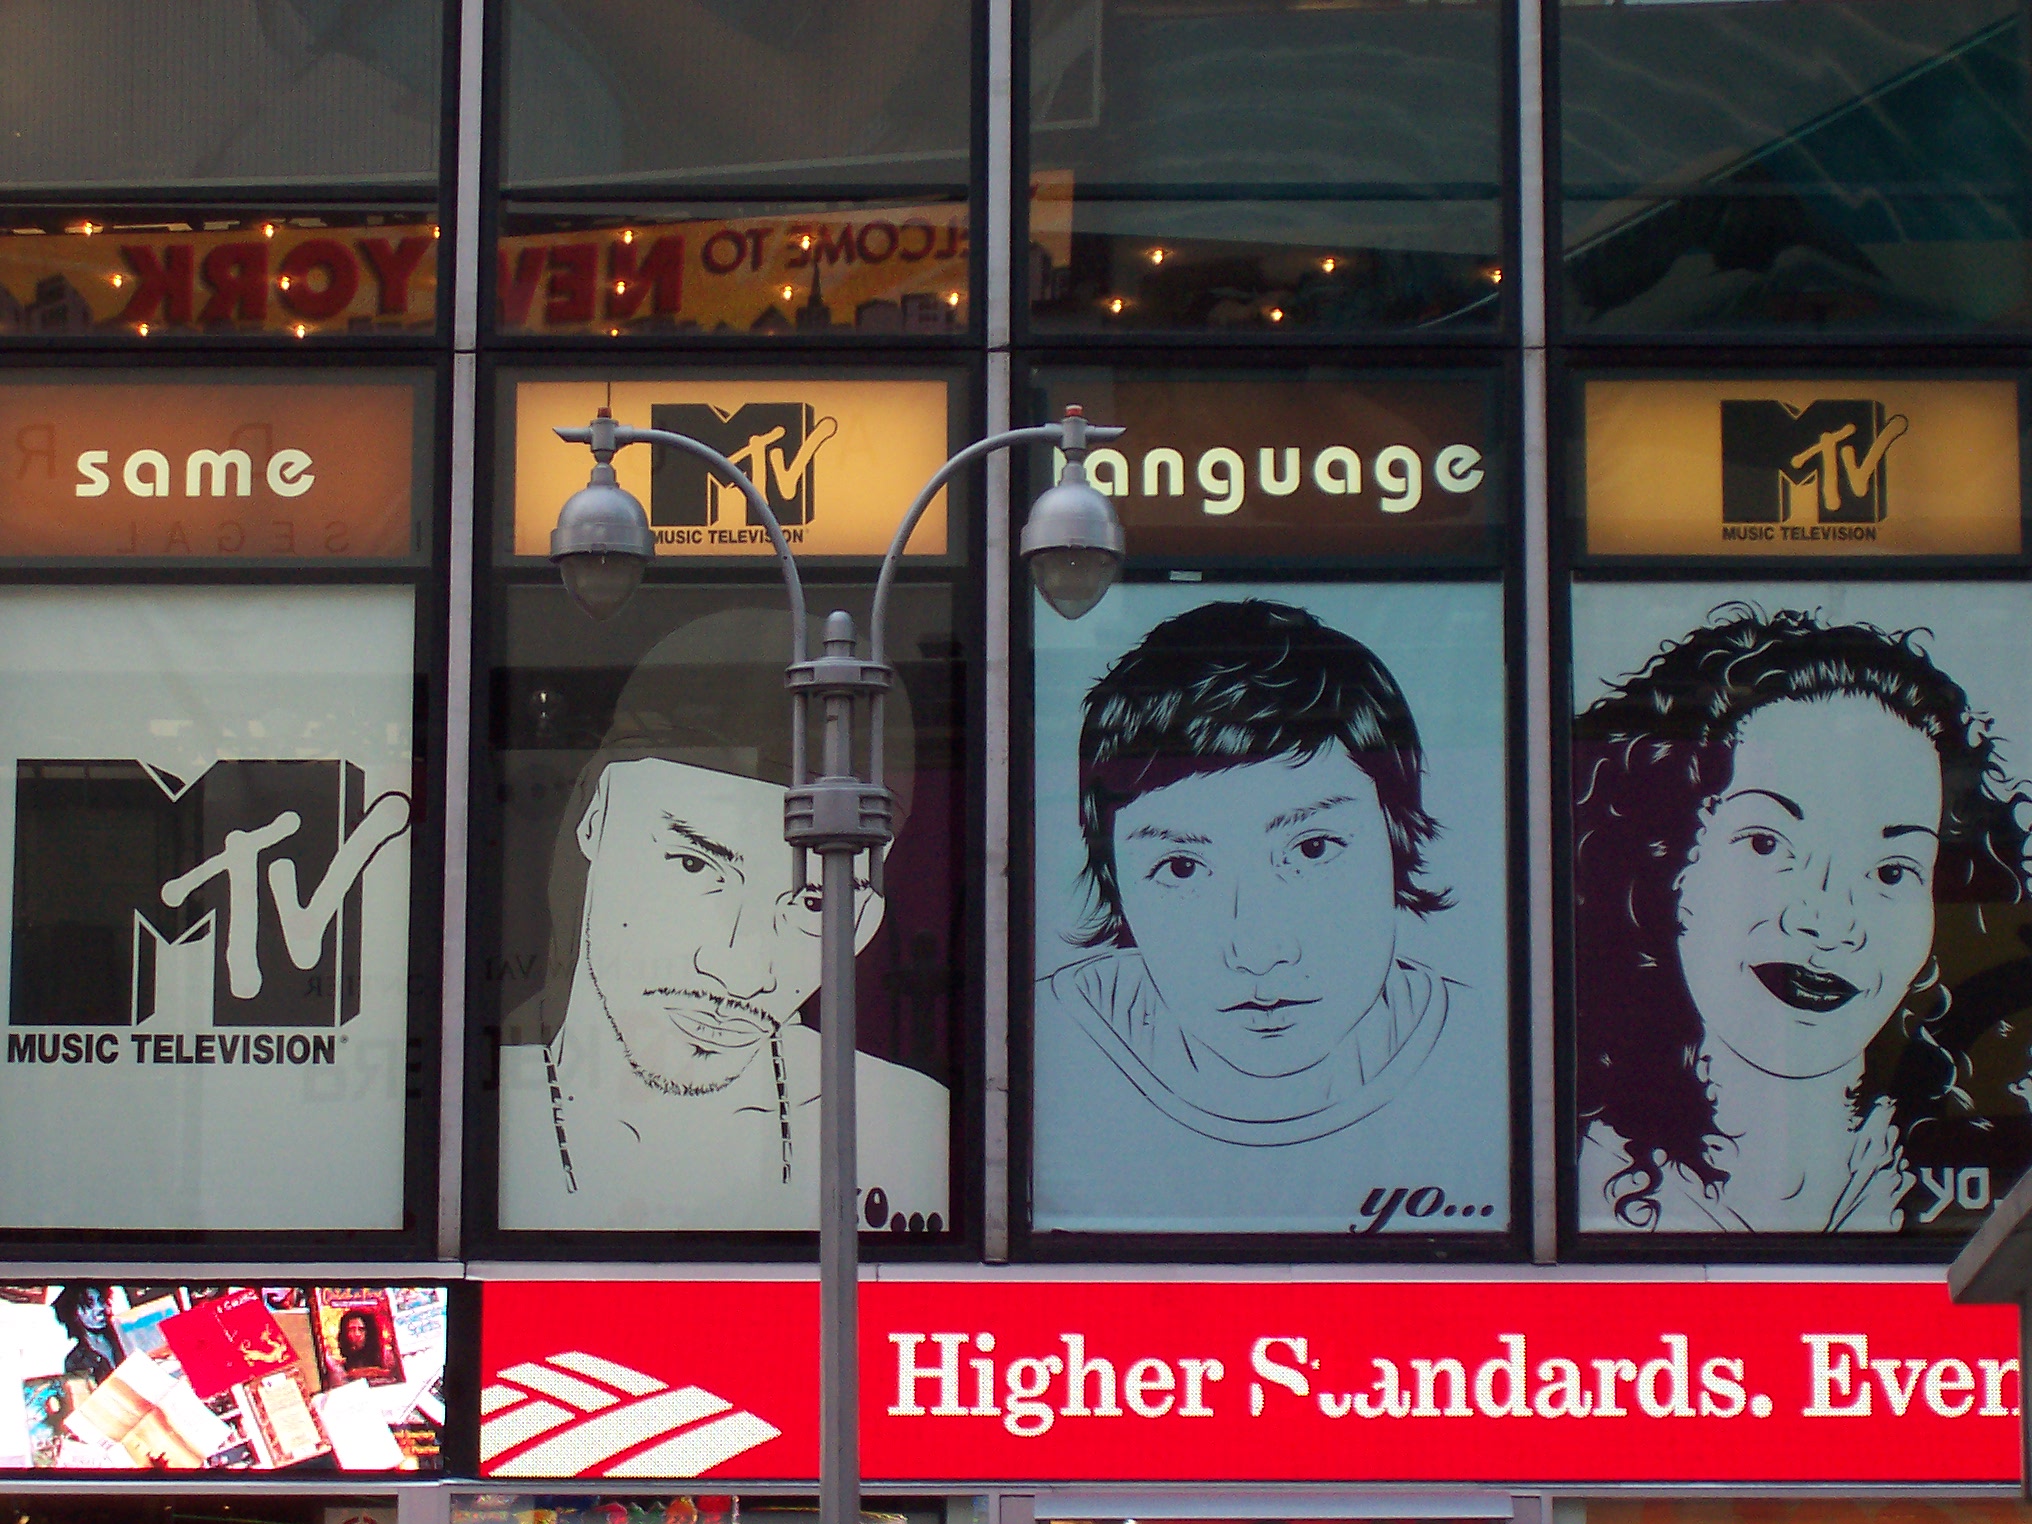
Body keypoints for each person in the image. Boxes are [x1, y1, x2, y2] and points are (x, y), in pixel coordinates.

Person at [1034, 598, 1496, 1232]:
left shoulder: (1500, 1059)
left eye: (1313, 850)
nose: (1257, 950)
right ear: (1117, 879)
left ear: (1397, 839)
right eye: (1182, 868)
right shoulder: (1032, 1055)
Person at [1573, 605, 2032, 1233]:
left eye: (1891, 872)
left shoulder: (1981, 1188)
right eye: (1768, 844)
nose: (1829, 920)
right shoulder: (1570, 1175)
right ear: (1664, 864)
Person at [498, 608, 949, 1232]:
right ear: (594, 820)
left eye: (815, 902)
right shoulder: (484, 1115)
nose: (741, 972)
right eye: (693, 865)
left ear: (868, 914)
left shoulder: (903, 1124)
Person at [53, 1285, 122, 1383]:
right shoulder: (76, 1361)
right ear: (75, 1314)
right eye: (89, 1304)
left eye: (101, 1300)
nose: (99, 1308)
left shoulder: (125, 1337)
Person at [336, 1310, 383, 1374]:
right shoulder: (339, 1364)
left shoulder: (382, 1357)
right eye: (352, 1329)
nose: (357, 1334)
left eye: (361, 1329)